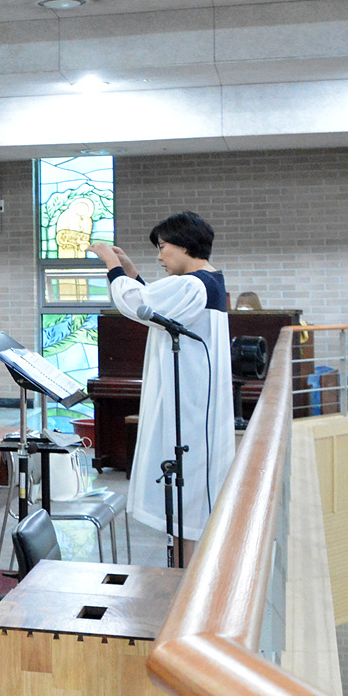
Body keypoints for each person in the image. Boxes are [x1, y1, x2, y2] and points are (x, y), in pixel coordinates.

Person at [92, 212, 234, 563]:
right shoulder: (207, 282)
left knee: (190, 503)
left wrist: (111, 264)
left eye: (163, 246)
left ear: (184, 245)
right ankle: (187, 569)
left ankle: (187, 576)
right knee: (192, 502)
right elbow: (155, 305)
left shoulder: (194, 284)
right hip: (195, 400)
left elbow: (137, 304)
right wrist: (130, 271)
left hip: (189, 407)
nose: (160, 256)